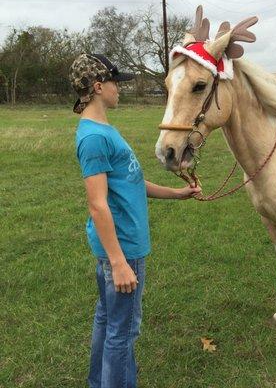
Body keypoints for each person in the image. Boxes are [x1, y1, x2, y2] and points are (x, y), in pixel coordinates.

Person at [69, 54, 200, 387]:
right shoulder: (94, 138)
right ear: (99, 87)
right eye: (116, 83)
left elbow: (131, 182)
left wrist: (177, 193)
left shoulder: (102, 129)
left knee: (107, 319)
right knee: (123, 330)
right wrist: (118, 263)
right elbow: (98, 204)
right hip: (123, 248)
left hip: (121, 246)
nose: (119, 89)